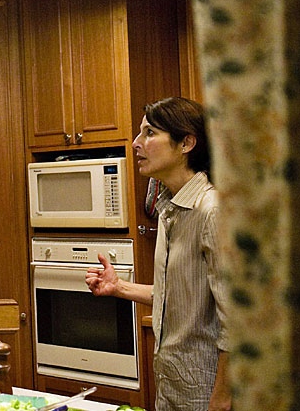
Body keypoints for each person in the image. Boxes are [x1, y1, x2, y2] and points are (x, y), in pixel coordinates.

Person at [85, 97, 231, 411]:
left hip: (205, 393)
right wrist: (119, 287)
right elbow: (178, 297)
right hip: (171, 388)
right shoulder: (169, 210)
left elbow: (235, 320)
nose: (136, 143)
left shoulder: (212, 211)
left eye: (150, 133)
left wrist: (223, 397)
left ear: (186, 143)